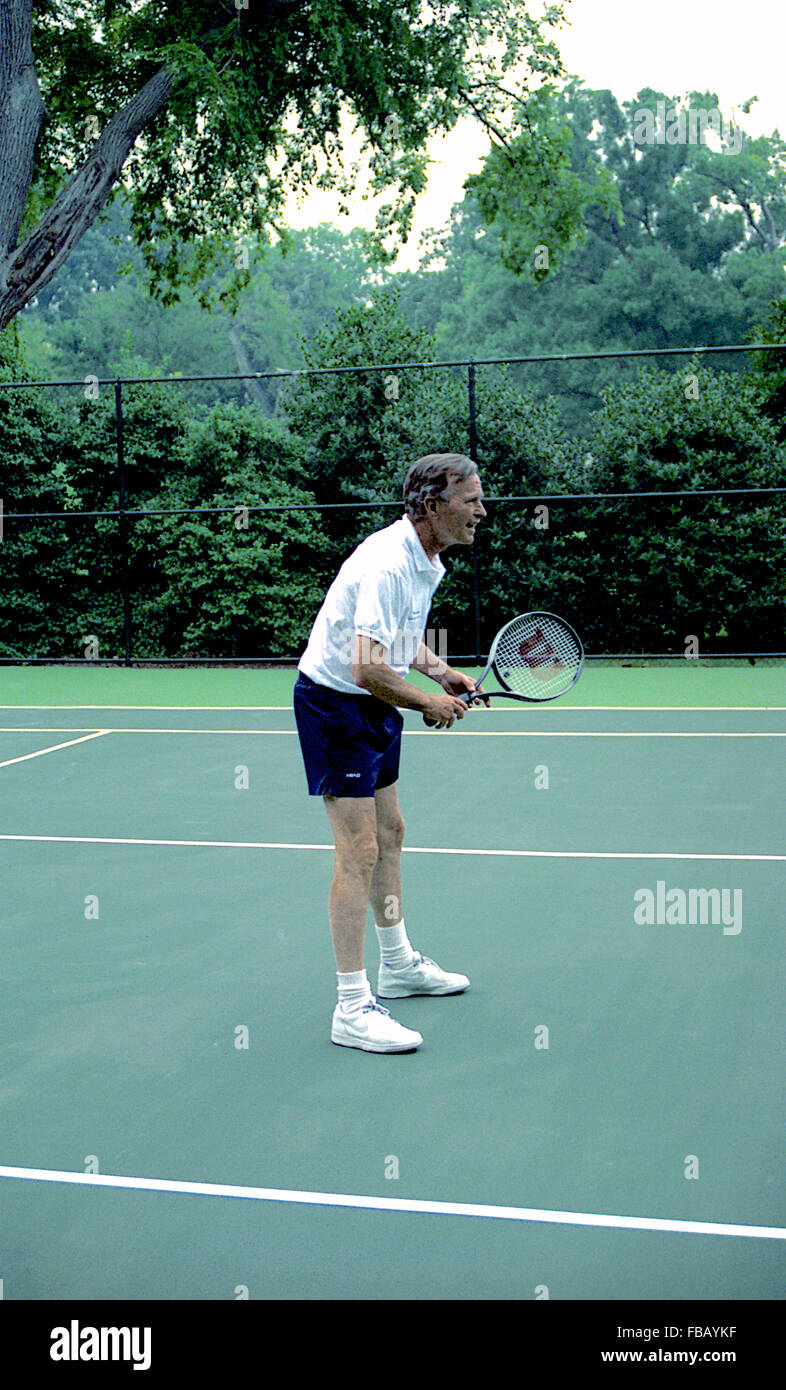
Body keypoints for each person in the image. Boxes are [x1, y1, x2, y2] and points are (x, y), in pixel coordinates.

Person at [293, 452, 488, 1053]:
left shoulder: (425, 559)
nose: (482, 511)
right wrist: (426, 702)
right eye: (471, 501)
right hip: (335, 705)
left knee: (391, 832)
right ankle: (352, 1007)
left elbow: (400, 641)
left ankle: (398, 966)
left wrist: (441, 671)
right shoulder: (386, 563)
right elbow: (366, 664)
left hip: (370, 702)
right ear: (434, 506)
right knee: (358, 850)